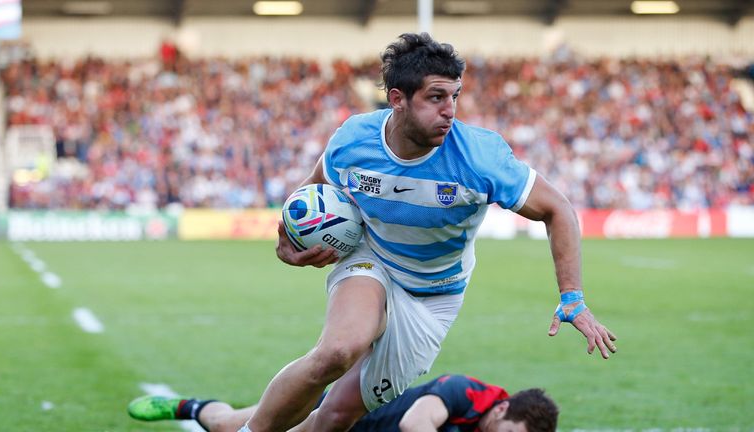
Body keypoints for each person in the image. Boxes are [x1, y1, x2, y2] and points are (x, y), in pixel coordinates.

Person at [243, 32, 616, 432]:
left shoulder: (480, 157)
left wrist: (572, 298)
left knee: (336, 415)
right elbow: (313, 192)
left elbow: (557, 208)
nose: (450, 110)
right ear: (398, 99)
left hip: (435, 298)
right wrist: (291, 238)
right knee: (338, 351)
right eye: (436, 97)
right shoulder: (353, 140)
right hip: (374, 259)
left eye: (455, 96)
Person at [127, 373, 559, 432]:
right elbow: (415, 425)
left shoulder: (495, 421)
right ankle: (185, 406)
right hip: (329, 411)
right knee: (225, 428)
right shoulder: (465, 392)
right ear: (502, 410)